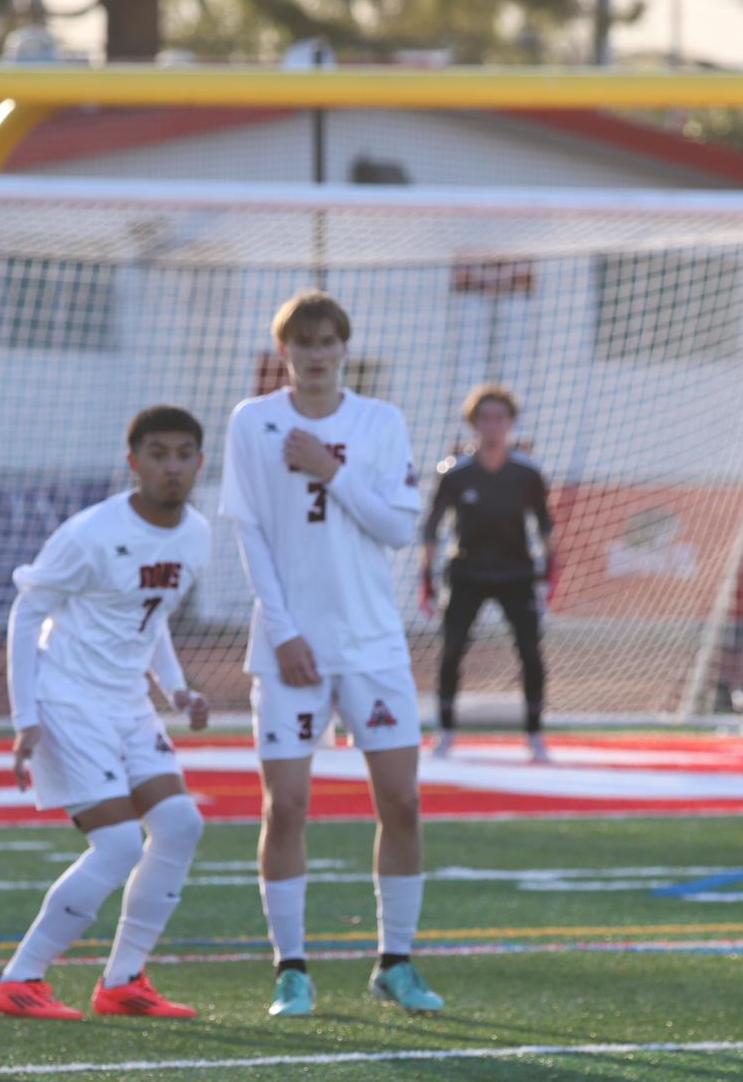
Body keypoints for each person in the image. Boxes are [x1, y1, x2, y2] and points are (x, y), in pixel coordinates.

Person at [218, 289, 440, 1018]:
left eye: (326, 342)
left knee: (401, 803)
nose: (314, 354)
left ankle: (394, 962)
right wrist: (281, 631)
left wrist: (329, 468)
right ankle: (291, 969)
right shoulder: (253, 422)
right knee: (284, 807)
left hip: (372, 644)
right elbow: (248, 531)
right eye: (301, 343)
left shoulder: (379, 422)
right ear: (282, 351)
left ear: (344, 348)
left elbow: (396, 528)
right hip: (289, 646)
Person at [0, 406, 214, 1020]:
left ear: (200, 462)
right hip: (68, 698)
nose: (172, 466)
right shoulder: (89, 533)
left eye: (183, 454)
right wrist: (24, 716)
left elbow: (151, 616)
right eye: (158, 454)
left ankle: (122, 982)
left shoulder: (196, 534)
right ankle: (19, 979)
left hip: (128, 703)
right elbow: (27, 613)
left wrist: (176, 688)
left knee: (181, 825)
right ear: (133, 461)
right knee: (117, 847)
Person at [422, 385, 555, 763]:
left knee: (530, 651)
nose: (492, 425)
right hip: (466, 572)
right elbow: (432, 526)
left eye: (500, 417)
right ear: (473, 423)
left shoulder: (527, 473)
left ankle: (534, 735)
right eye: (485, 418)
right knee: (451, 650)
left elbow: (544, 525)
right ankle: (445, 731)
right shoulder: (454, 473)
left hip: (516, 573)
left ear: (511, 422)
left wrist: (552, 570)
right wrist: (425, 577)